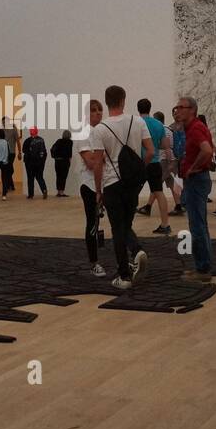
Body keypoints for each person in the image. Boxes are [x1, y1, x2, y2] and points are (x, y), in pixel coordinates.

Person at [85, 85, 152, 290]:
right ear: (123, 100)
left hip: (111, 184)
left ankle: (124, 275)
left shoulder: (100, 129)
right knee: (126, 224)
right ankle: (136, 252)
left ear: (107, 102)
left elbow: (97, 164)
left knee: (118, 228)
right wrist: (139, 170)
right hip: (133, 184)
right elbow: (150, 151)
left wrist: (98, 190)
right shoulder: (137, 121)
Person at [174, 96, 214, 282]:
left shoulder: (196, 128)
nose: (178, 110)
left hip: (196, 180)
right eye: (177, 107)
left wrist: (193, 168)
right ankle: (203, 266)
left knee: (196, 226)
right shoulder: (193, 128)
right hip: (198, 180)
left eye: (182, 107)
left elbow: (207, 150)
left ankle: (202, 270)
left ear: (192, 110)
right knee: (200, 225)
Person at [133, 98, 172, 233]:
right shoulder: (158, 124)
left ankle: (127, 224)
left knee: (132, 192)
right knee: (159, 192)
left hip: (140, 163)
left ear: (138, 109)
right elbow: (165, 146)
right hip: (155, 163)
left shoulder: (136, 123)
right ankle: (165, 224)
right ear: (150, 108)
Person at [78, 100, 106, 277]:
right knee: (92, 224)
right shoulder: (83, 134)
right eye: (94, 110)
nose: (98, 113)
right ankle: (94, 262)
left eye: (100, 110)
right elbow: (91, 162)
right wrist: (103, 158)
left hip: (105, 184)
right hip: (89, 185)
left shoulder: (102, 132)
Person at [22, 127, 48, 199]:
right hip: (40, 163)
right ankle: (44, 190)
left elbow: (24, 150)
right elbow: (44, 152)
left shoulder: (27, 141)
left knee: (30, 178)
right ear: (37, 131)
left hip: (29, 163)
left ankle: (31, 194)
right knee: (40, 177)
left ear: (30, 132)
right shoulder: (41, 140)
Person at [51, 130, 73, 197]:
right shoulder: (70, 142)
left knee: (58, 176)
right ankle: (62, 192)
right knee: (63, 177)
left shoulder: (58, 141)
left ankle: (58, 191)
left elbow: (52, 149)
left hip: (57, 161)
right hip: (65, 161)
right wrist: (69, 161)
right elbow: (69, 153)